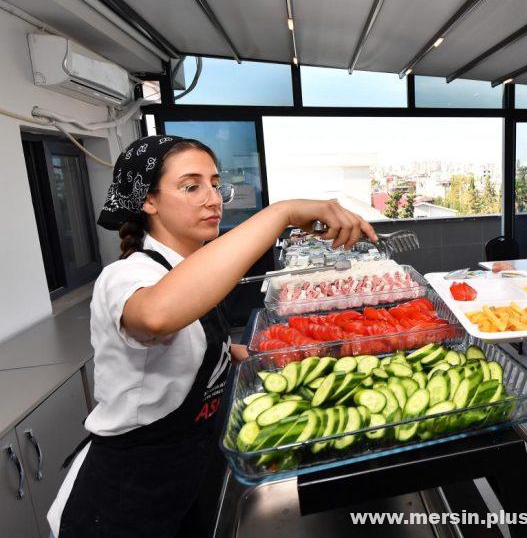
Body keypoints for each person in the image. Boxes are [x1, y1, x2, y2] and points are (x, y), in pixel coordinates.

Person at [47, 135, 376, 537]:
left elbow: (195, 352)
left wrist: (261, 356)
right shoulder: (128, 275)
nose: (213, 198)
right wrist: (283, 212)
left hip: (186, 478)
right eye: (191, 186)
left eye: (215, 184)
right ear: (148, 202)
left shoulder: (190, 270)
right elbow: (156, 316)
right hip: (122, 503)